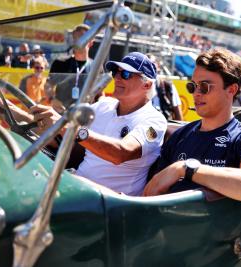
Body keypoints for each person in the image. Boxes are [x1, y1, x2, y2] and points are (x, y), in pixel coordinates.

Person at [143, 48, 241, 203]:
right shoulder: (179, 136)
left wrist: (185, 168)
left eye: (205, 86)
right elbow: (151, 193)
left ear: (231, 89)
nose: (196, 93)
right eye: (192, 86)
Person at [29, 52, 167, 196]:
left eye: (126, 74)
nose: (117, 78)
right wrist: (11, 110)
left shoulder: (154, 120)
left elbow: (121, 153)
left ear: (147, 84)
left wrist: (71, 129)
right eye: (115, 72)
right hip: (75, 187)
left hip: (111, 203)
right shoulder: (104, 106)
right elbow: (58, 125)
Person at [48, 24, 98, 109]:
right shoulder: (59, 63)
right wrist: (52, 99)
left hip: (84, 116)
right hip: (61, 115)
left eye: (82, 37)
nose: (77, 40)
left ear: (91, 42)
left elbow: (99, 92)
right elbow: (48, 86)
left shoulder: (97, 66)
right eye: (75, 38)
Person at [148, 54, 184, 121]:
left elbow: (178, 113)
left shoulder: (167, 86)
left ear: (158, 66)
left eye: (152, 63)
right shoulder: (136, 87)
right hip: (144, 127)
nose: (149, 67)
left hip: (164, 127)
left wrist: (180, 131)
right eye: (146, 64)